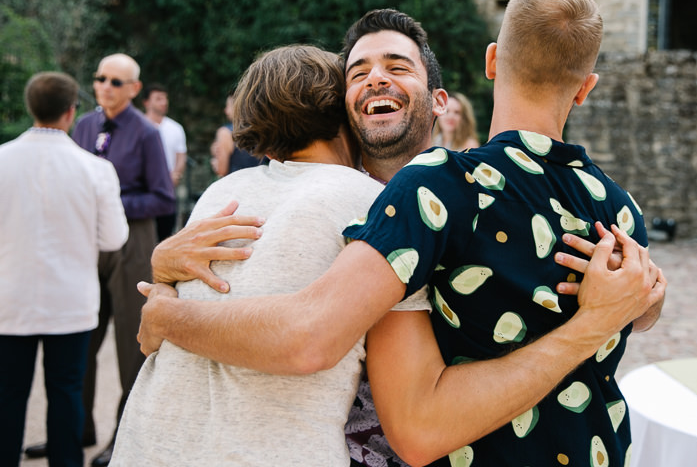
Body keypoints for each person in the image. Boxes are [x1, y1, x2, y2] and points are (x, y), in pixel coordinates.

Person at [139, 1, 665, 466]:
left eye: (397, 67)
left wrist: (641, 301)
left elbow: (310, 337)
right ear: (339, 106)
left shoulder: (452, 190)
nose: (376, 79)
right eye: (357, 72)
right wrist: (163, 266)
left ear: (442, 100)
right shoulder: (304, 197)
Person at [111, 45, 431, 465]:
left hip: (147, 444)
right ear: (341, 112)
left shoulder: (221, 193)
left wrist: (164, 308)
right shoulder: (370, 201)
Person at [25, 54, 176, 467]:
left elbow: (163, 197)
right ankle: (77, 430)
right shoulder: (84, 125)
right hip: (88, 242)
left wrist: (109, 201)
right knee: (82, 338)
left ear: (134, 89)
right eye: (100, 78)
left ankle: (120, 435)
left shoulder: (147, 133)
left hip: (132, 241)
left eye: (115, 80)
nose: (105, 86)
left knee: (131, 343)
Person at [0, 72, 128, 467]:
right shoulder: (95, 169)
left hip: (9, 298)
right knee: (67, 392)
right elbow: (114, 238)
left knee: (7, 396)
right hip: (70, 301)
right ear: (71, 112)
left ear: (30, 108)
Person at [142, 83, 187, 239]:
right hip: (143, 190)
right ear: (146, 102)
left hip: (167, 188)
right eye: (158, 99)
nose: (164, 102)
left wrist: (175, 175)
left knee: (165, 233)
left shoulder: (176, 128)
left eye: (165, 98)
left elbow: (181, 156)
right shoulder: (138, 126)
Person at [210, 93, 264, 177]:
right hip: (259, 183)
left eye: (228, 106)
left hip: (235, 185)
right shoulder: (262, 130)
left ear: (237, 107)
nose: (225, 111)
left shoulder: (225, 133)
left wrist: (216, 163)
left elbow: (222, 170)